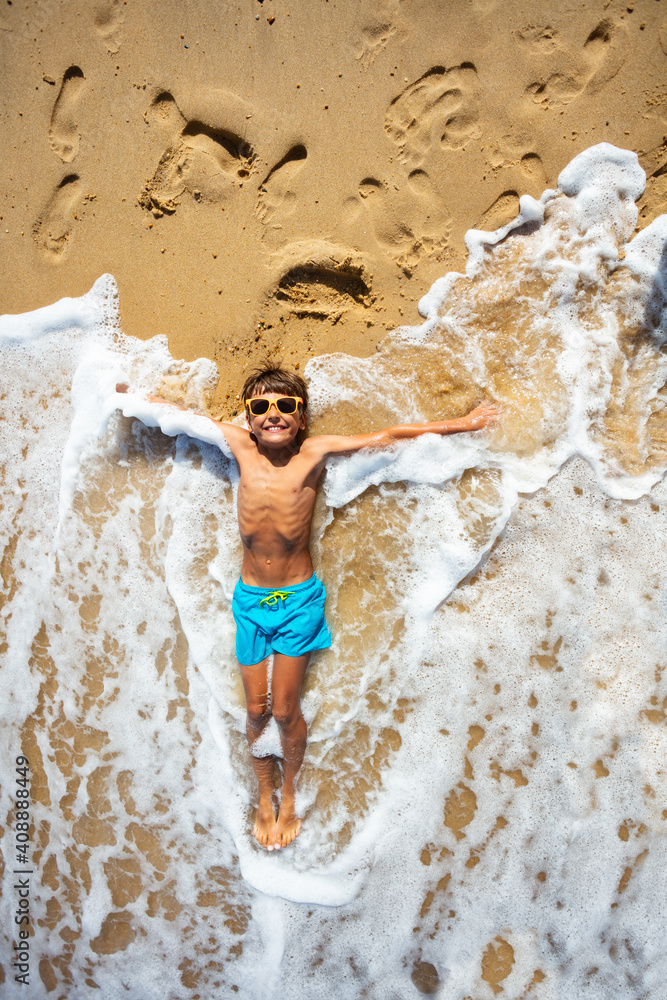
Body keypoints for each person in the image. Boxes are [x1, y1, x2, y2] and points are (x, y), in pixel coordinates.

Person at [116, 367, 498, 850]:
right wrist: (136, 398)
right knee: (256, 709)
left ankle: (290, 793)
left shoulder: (314, 452)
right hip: (252, 601)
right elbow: (183, 418)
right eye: (260, 408)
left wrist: (463, 424)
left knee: (286, 707)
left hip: (298, 602)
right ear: (248, 418)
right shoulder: (238, 446)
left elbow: (390, 436)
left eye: (284, 406)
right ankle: (263, 793)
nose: (272, 415)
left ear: (301, 416)